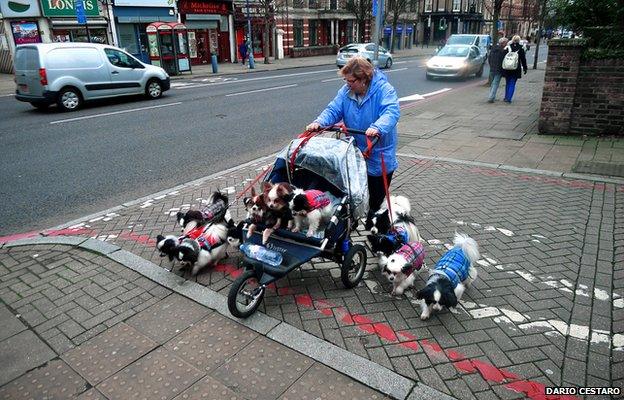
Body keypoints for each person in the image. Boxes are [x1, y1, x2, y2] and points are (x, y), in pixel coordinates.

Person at [306, 57, 400, 228]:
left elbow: (391, 112)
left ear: (364, 79)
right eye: (345, 80)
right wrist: (319, 122)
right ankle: (352, 220)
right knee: (353, 191)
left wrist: (378, 127)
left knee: (375, 198)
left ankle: (378, 227)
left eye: (351, 81)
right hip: (355, 151)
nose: (347, 84)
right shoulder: (346, 91)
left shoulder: (384, 90)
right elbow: (333, 109)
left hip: (379, 153)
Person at [502, 35, 528, 103]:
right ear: (519, 40)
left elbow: (503, 57)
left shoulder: (508, 47)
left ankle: (506, 97)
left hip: (507, 68)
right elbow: (523, 59)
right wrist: (525, 68)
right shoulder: (521, 48)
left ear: (512, 40)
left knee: (507, 83)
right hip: (516, 68)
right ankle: (509, 98)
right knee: (512, 83)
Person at [487, 37, 508, 103]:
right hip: (499, 69)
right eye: (506, 43)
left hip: (492, 69)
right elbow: (504, 61)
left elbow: (489, 58)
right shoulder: (503, 51)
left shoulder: (493, 49)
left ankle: (492, 96)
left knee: (492, 83)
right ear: (503, 43)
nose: (506, 44)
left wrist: (491, 65)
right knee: (495, 83)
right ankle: (491, 97)